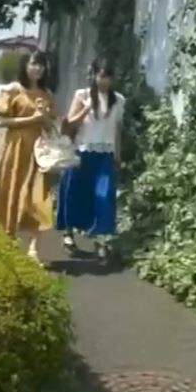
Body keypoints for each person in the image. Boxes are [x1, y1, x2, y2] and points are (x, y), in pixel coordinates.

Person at [0, 50, 59, 264]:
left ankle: (34, 247)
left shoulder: (47, 94)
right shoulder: (13, 90)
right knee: (10, 189)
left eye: (41, 65)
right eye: (33, 64)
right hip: (15, 147)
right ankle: (6, 236)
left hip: (38, 150)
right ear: (25, 66)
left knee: (38, 196)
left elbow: (50, 125)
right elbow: (1, 121)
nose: (37, 69)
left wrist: (44, 118)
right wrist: (31, 119)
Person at [56, 57, 123, 262]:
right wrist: (86, 108)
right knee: (73, 194)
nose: (104, 80)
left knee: (103, 196)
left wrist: (118, 155)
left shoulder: (118, 100)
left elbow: (116, 130)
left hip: (105, 154)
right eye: (100, 76)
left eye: (108, 76)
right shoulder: (82, 95)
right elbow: (69, 123)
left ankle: (101, 239)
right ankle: (68, 234)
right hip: (81, 152)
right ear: (93, 75)